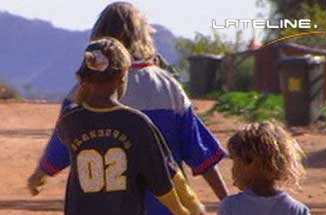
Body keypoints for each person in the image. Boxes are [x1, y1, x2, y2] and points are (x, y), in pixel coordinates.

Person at [28, 2, 228, 214]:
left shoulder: (81, 94)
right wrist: (225, 199)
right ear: (143, 36)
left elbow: (62, 145)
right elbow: (198, 150)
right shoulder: (168, 88)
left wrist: (41, 173)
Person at [52, 37, 205, 215]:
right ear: (122, 78)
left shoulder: (69, 121)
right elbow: (163, 178)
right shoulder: (136, 123)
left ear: (84, 77)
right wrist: (184, 210)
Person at [219, 121, 310, 215]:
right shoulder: (296, 210)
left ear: (252, 163)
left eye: (235, 161)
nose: (232, 169)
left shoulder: (231, 206)